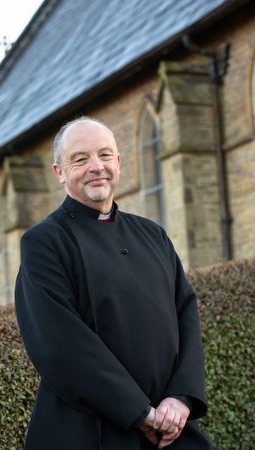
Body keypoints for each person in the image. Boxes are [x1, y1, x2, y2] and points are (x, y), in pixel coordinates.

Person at [15, 117, 213, 450]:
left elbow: (186, 314)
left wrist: (181, 398)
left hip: (170, 428)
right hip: (89, 431)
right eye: (80, 159)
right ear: (59, 172)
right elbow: (62, 345)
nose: (97, 167)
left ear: (119, 163)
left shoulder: (154, 235)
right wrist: (139, 412)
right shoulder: (44, 243)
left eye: (105, 155)